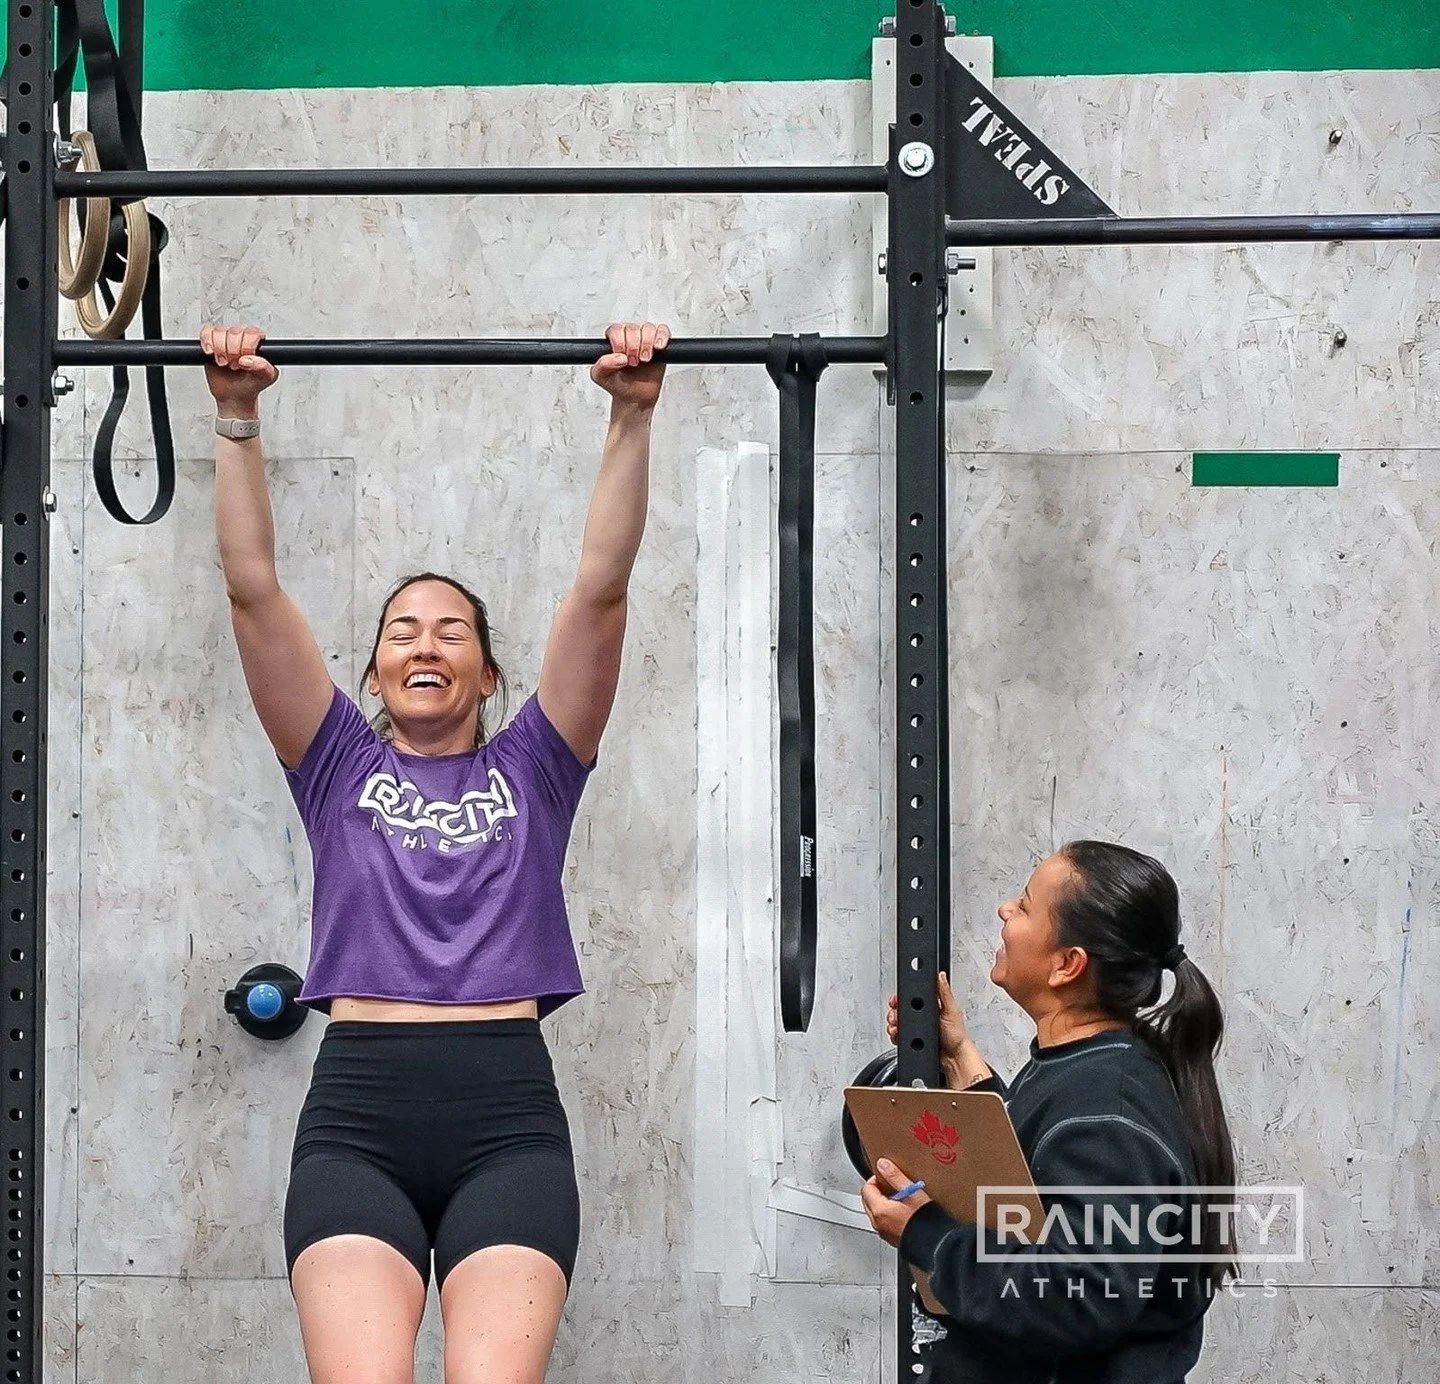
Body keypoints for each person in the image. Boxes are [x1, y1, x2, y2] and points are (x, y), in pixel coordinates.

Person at [201, 320, 671, 1384]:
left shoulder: (538, 768)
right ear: (371, 672)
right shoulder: (332, 767)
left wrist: (631, 413)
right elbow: (252, 586)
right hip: (357, 1114)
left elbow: (599, 591)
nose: (424, 642)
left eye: (451, 629)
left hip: (506, 1114)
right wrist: (237, 416)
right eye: (403, 630)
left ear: (490, 673)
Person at [861, 842, 1237, 1384]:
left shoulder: (1108, 1109)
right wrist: (961, 1056)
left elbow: (1078, 1296)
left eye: (1026, 905)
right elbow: (1033, 1182)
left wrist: (926, 1233)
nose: (1004, 910)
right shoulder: (1089, 1069)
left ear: (1067, 965)